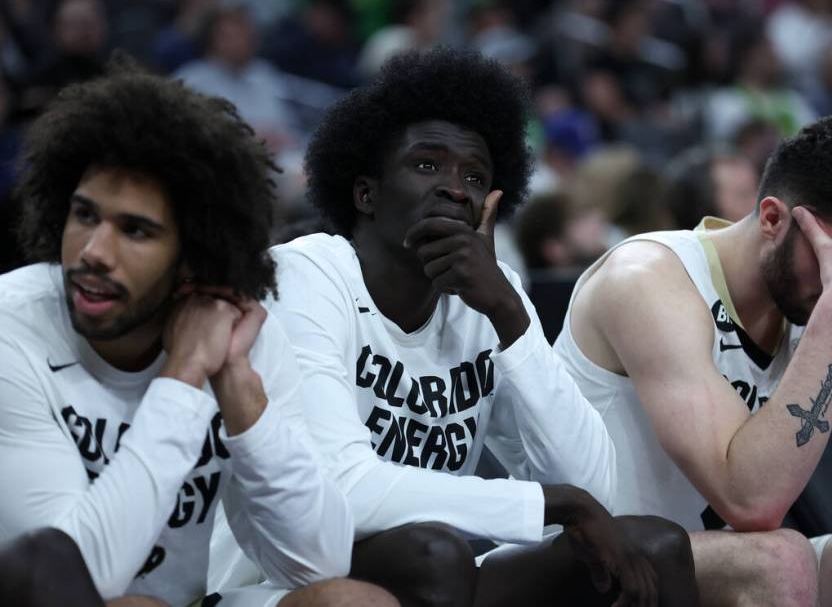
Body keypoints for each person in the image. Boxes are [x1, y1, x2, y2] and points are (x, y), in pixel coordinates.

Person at [236, 48, 698, 606]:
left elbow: (597, 490)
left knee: (654, 545)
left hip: (438, 573)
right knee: (433, 555)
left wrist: (509, 315)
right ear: (366, 194)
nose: (456, 188)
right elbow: (342, 491)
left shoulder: (490, 297)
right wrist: (553, 504)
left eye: (475, 176)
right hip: (280, 582)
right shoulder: (305, 274)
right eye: (427, 164)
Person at [0, 62, 394, 607]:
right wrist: (184, 376)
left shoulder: (243, 335)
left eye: (136, 230)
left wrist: (237, 384)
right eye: (85, 215)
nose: (93, 252)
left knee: (355, 602)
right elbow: (70, 577)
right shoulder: (11, 323)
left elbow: (316, 561)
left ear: (195, 255)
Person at [558, 115, 832, 605]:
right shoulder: (648, 281)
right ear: (773, 219)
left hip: (717, 563)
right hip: (596, 562)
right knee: (778, 559)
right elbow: (750, 501)